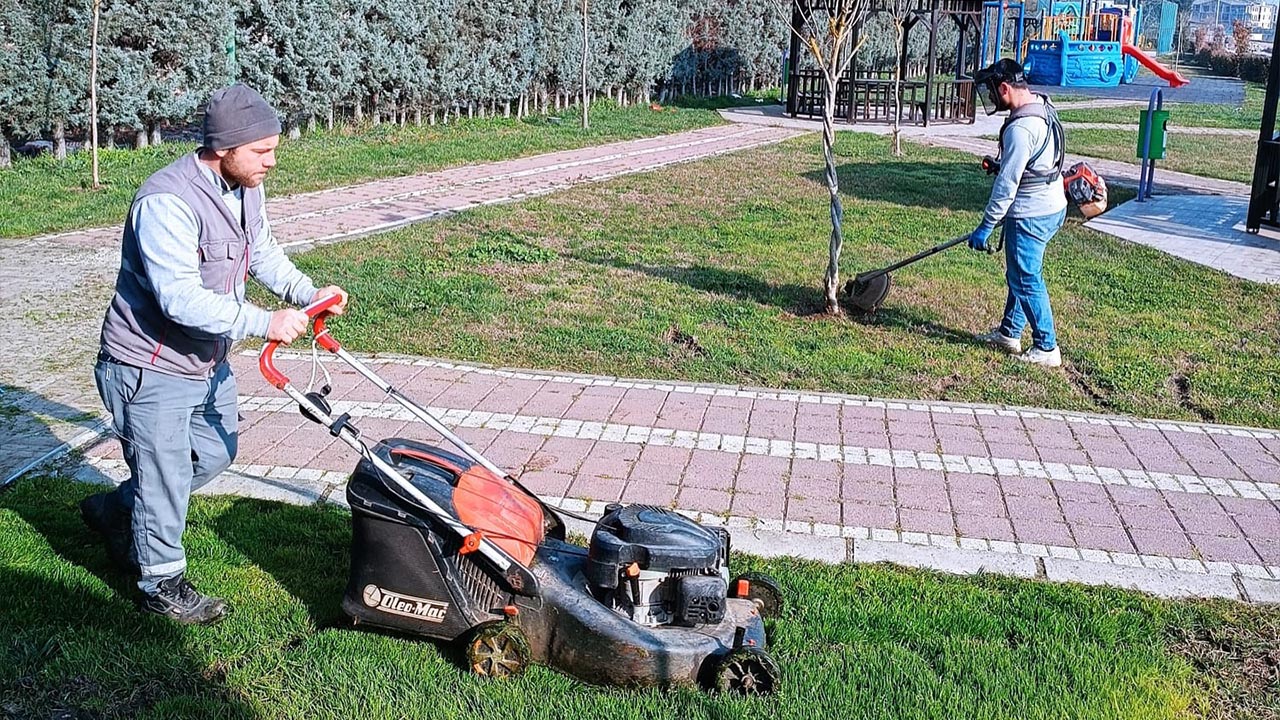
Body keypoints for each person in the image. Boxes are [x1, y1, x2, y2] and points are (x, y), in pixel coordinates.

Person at [81, 84, 349, 624]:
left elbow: (263, 251)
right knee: (165, 472)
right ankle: (161, 584)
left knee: (216, 453)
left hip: (205, 361)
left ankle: (116, 510)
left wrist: (306, 293)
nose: (272, 161)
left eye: (274, 148)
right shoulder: (166, 201)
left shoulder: (245, 184)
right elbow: (178, 299)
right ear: (223, 147)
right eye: (262, 151)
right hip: (147, 364)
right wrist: (263, 321)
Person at [967, 58, 1068, 368]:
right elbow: (1035, 161)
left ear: (1005, 87)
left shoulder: (1021, 128)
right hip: (1053, 205)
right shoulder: (1041, 104)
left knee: (1026, 278)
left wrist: (986, 226)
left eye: (992, 92)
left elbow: (1007, 186)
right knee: (1020, 275)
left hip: (1032, 214)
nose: (991, 99)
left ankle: (1046, 347)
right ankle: (1010, 333)